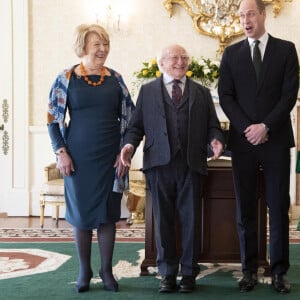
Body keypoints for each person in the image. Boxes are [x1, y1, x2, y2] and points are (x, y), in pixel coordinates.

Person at [120, 44, 224, 293]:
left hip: (191, 164)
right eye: (174, 57)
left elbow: (213, 125)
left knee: (191, 221)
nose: (180, 61)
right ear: (162, 63)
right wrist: (128, 146)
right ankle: (167, 273)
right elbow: (136, 127)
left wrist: (215, 139)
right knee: (163, 222)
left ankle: (188, 273)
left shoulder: (201, 92)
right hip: (159, 165)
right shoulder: (147, 91)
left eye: (184, 57)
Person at [218, 0, 299, 294]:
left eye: (250, 13)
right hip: (243, 144)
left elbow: (289, 94)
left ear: (263, 15)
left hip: (275, 139)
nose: (245, 20)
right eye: (241, 16)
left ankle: (278, 271)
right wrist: (246, 128)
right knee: (246, 209)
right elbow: (225, 96)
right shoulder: (231, 54)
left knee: (277, 206)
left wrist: (266, 126)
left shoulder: (286, 50)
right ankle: (249, 269)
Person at [47, 23, 135, 293]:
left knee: (109, 215)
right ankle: (84, 271)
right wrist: (61, 153)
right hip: (78, 159)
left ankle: (107, 272)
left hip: (112, 158)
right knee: (82, 215)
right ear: (82, 46)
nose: (103, 49)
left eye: (105, 44)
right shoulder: (66, 78)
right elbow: (52, 119)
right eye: (97, 44)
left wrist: (125, 152)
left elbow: (131, 119)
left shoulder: (116, 78)